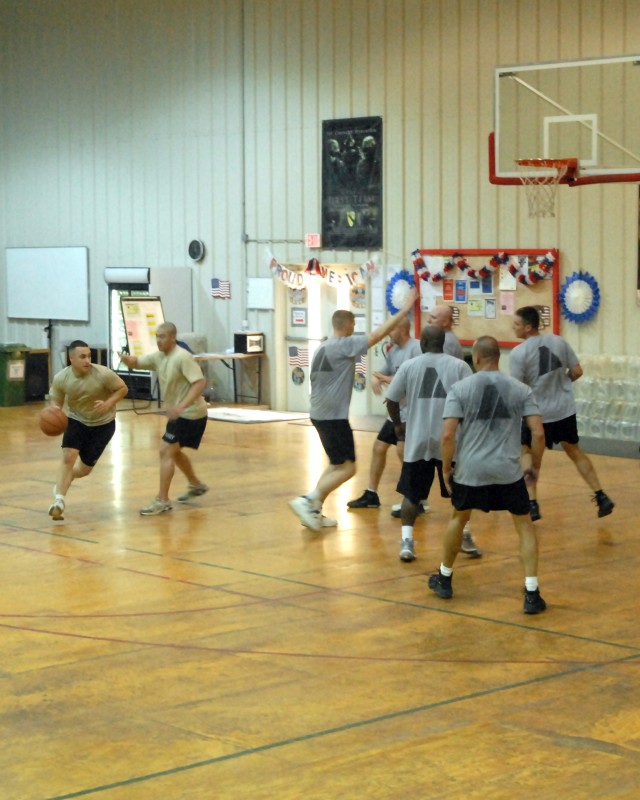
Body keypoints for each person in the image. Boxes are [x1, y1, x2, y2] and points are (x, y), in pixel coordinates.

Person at [428, 336, 547, 614]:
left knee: (459, 518)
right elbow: (539, 433)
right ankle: (531, 593)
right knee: (524, 525)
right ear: (499, 358)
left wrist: (446, 469)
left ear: (477, 359)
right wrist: (535, 466)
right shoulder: (521, 389)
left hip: (471, 471)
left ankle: (444, 578)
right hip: (508, 471)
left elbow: (447, 435)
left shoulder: (460, 388)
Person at [288, 287, 418, 531]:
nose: (354, 329)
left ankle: (314, 510)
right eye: (353, 324)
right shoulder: (343, 345)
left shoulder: (323, 347)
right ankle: (308, 500)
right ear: (347, 325)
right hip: (333, 417)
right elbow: (378, 334)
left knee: (336, 464)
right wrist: (404, 310)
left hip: (319, 413)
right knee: (349, 467)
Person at [510, 306, 614, 521]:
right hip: (564, 409)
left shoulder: (519, 353)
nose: (513, 327)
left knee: (527, 453)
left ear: (528, 327)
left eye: (517, 324)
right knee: (574, 450)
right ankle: (601, 495)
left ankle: (532, 503)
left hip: (536, 413)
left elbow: (517, 388)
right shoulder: (559, 341)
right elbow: (577, 371)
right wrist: (563, 383)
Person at [385, 326, 477, 562]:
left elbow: (392, 400)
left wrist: (398, 427)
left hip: (418, 441)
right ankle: (464, 535)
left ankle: (407, 542)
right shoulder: (460, 366)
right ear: (443, 341)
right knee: (460, 493)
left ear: (423, 342)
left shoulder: (409, 366)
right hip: (450, 440)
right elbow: (473, 401)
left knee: (411, 495)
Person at [120, 322, 209, 516]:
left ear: (172, 338)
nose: (158, 340)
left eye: (162, 337)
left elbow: (200, 382)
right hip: (179, 415)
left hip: (191, 414)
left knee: (166, 451)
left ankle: (163, 500)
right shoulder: (159, 357)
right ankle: (195, 484)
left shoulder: (182, 357)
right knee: (174, 452)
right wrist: (127, 360)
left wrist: (181, 406)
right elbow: (137, 362)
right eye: (156, 336)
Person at [47, 340, 129, 520]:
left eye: (89, 356)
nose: (87, 360)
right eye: (82, 356)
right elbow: (56, 403)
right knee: (68, 457)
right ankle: (59, 500)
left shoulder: (103, 373)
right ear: (71, 358)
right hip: (76, 420)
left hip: (104, 424)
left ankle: (65, 481)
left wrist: (108, 403)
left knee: (84, 470)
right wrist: (53, 414)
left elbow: (123, 388)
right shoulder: (62, 378)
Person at [347, 317, 421, 511]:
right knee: (379, 447)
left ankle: (415, 499)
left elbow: (412, 379)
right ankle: (371, 493)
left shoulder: (415, 349)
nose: (388, 334)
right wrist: (375, 378)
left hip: (411, 412)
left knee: (403, 452)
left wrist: (387, 379)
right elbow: (381, 372)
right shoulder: (394, 350)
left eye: (392, 330)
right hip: (396, 411)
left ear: (402, 330)